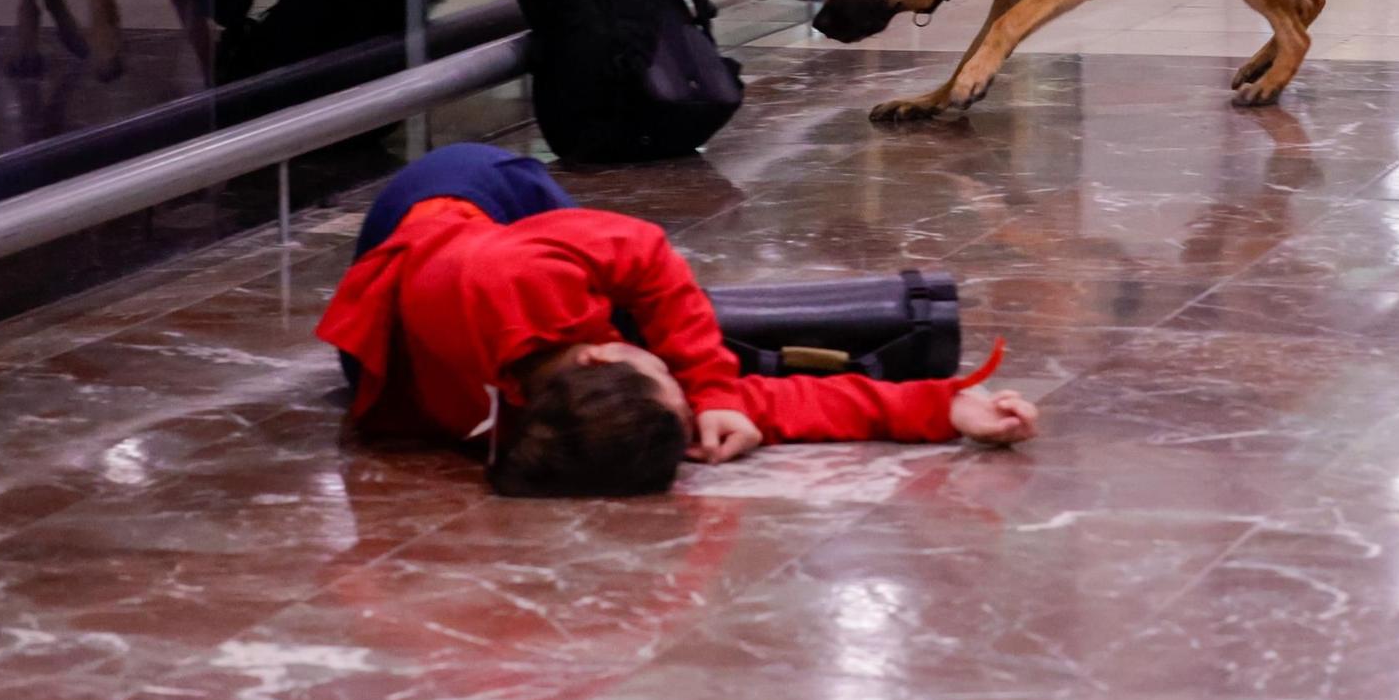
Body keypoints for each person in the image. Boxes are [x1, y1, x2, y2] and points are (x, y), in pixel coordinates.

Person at [317, 143, 1038, 498]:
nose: (674, 371)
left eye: (655, 369)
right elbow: (771, 406)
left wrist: (712, 387)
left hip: (453, 191)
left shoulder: (521, 273)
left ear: (599, 356)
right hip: (437, 274)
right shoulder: (541, 423)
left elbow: (646, 253)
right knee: (703, 347)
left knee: (690, 333)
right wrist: (942, 407)